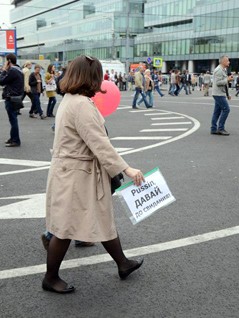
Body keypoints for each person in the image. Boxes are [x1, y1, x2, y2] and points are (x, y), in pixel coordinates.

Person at [43, 55, 144, 294]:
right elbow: (99, 143)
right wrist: (126, 169)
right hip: (77, 174)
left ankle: (123, 263)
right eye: (98, 74)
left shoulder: (70, 99)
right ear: (91, 77)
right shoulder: (81, 104)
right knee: (65, 228)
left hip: (73, 171)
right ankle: (50, 277)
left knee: (100, 216)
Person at [0, 53, 24, 147]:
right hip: (16, 97)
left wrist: (4, 70)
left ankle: (15, 140)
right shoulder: (19, 70)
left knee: (13, 119)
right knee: (13, 119)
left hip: (11, 98)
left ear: (9, 61)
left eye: (6, 60)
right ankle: (13, 137)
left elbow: (2, 81)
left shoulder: (12, 71)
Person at [211, 55, 232, 136]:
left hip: (220, 93)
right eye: (227, 61)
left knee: (217, 112)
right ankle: (221, 128)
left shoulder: (223, 69)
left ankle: (213, 129)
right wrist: (227, 79)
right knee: (226, 109)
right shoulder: (219, 70)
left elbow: (224, 83)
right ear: (223, 61)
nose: (229, 62)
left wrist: (228, 94)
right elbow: (218, 83)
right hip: (218, 94)